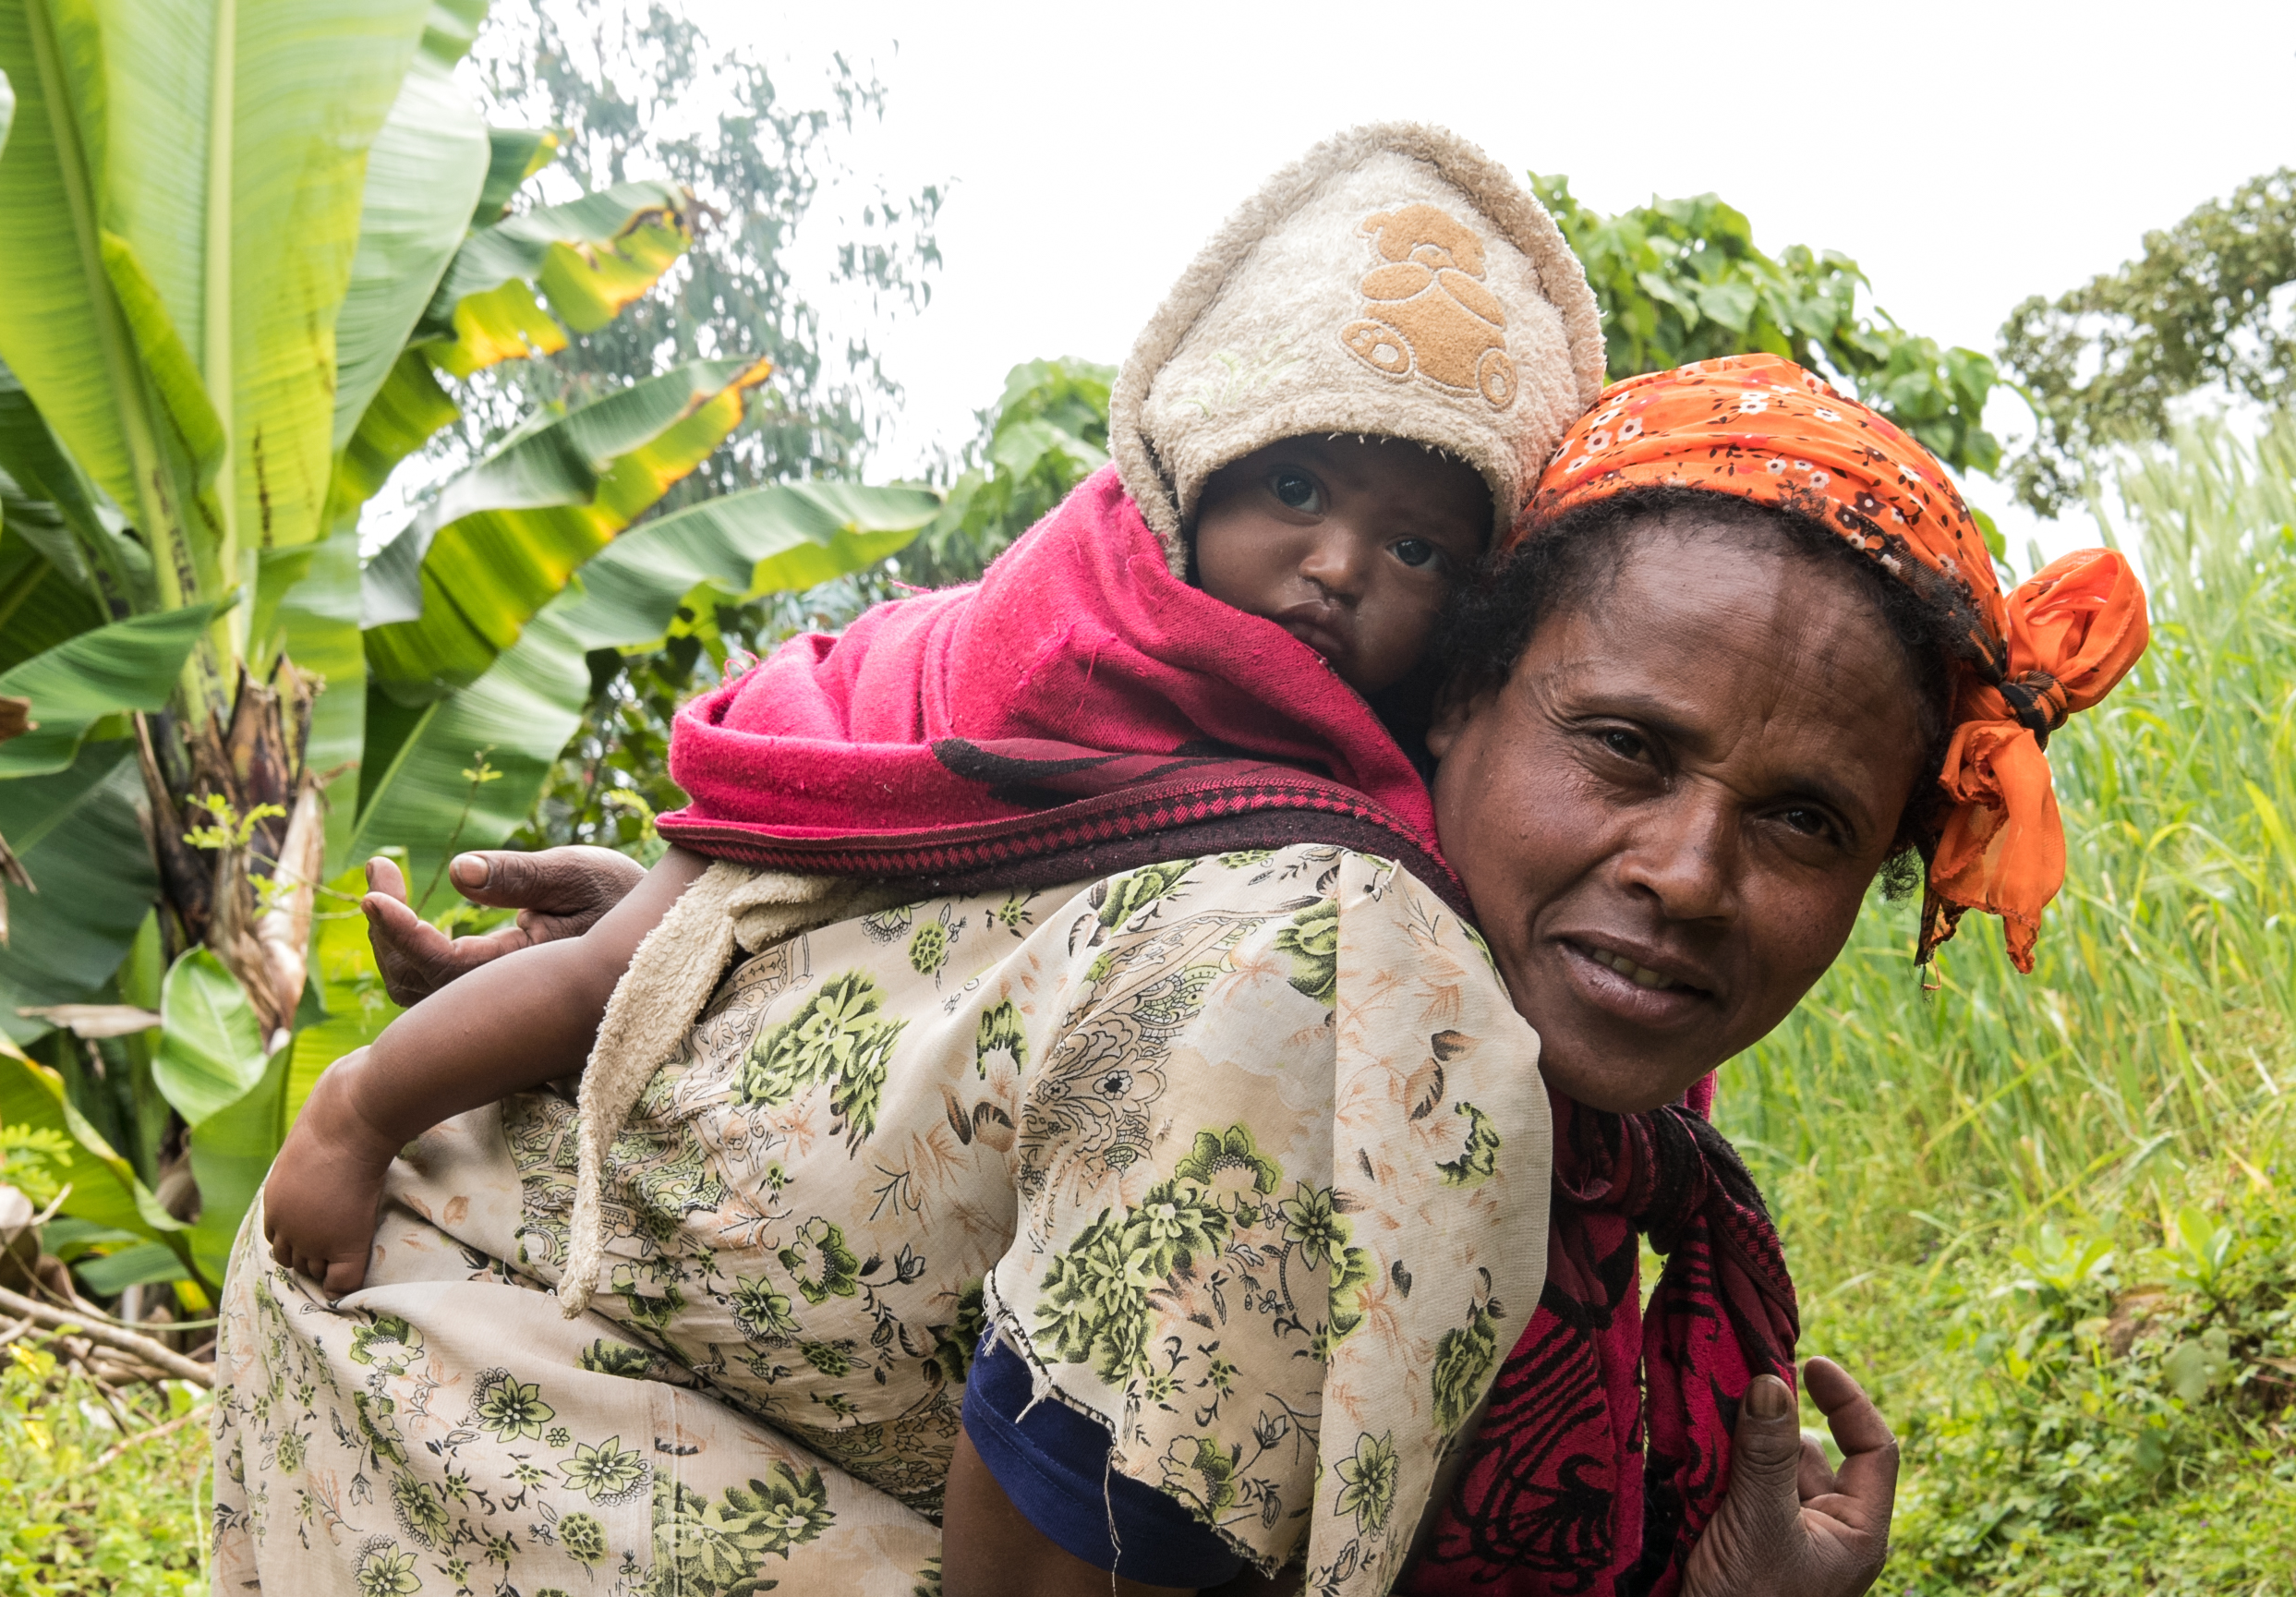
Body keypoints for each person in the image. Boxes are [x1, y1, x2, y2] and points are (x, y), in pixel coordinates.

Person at [205, 359, 2144, 1597]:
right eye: (1622, 750)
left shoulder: (1479, 1013)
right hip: (513, 1355)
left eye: (1805, 823)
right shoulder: (1318, 978)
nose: (1694, 871)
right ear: (1446, 711)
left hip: (813, 1417)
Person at [260, 123, 1609, 1293]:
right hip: (852, 743)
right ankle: (359, 1105)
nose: (1337, 567)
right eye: (1298, 494)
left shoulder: (1366, 747)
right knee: (620, 969)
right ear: (1196, 462)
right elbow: (1002, 781)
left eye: (1416, 550)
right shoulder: (1096, 609)